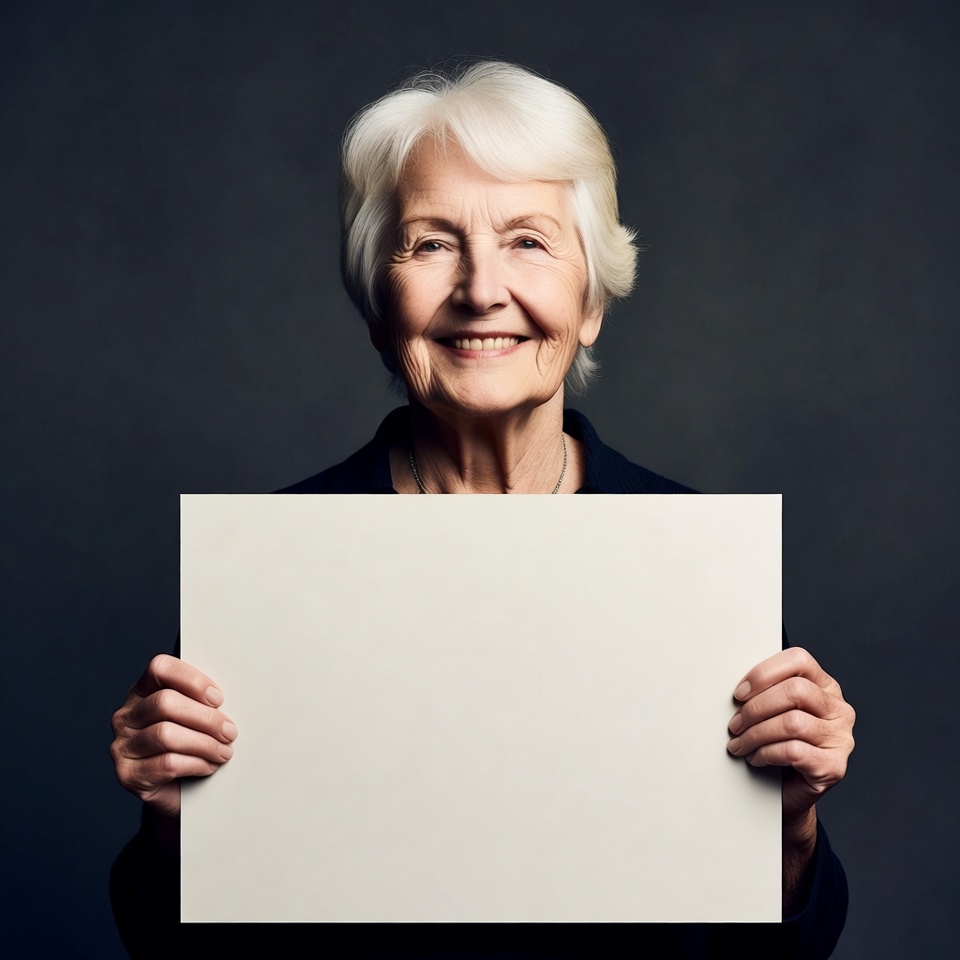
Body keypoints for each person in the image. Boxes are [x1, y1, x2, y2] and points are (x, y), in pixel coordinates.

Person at [109, 61, 855, 958]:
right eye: (430, 244)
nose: (480, 289)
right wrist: (173, 822)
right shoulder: (266, 578)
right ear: (380, 307)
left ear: (591, 302)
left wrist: (791, 831)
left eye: (530, 242)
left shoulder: (699, 570)